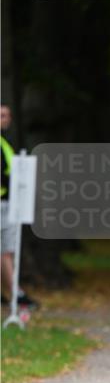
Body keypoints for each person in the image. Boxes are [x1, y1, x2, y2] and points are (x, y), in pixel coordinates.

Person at [0, 105, 38, 309]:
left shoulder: (4, 142)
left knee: (6, 250)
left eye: (7, 115)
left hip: (7, 202)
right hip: (3, 203)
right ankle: (16, 293)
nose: (6, 119)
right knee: (5, 251)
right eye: (1, 115)